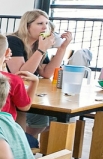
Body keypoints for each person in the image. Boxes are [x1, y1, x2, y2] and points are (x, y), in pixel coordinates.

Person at [6, 10, 72, 141]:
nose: (45, 27)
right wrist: (41, 50)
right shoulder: (13, 41)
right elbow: (21, 75)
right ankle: (24, 141)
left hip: (28, 92)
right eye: (40, 23)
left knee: (54, 118)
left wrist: (62, 48)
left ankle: (27, 141)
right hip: (10, 93)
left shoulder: (38, 44)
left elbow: (47, 73)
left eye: (47, 23)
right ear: (27, 26)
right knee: (41, 119)